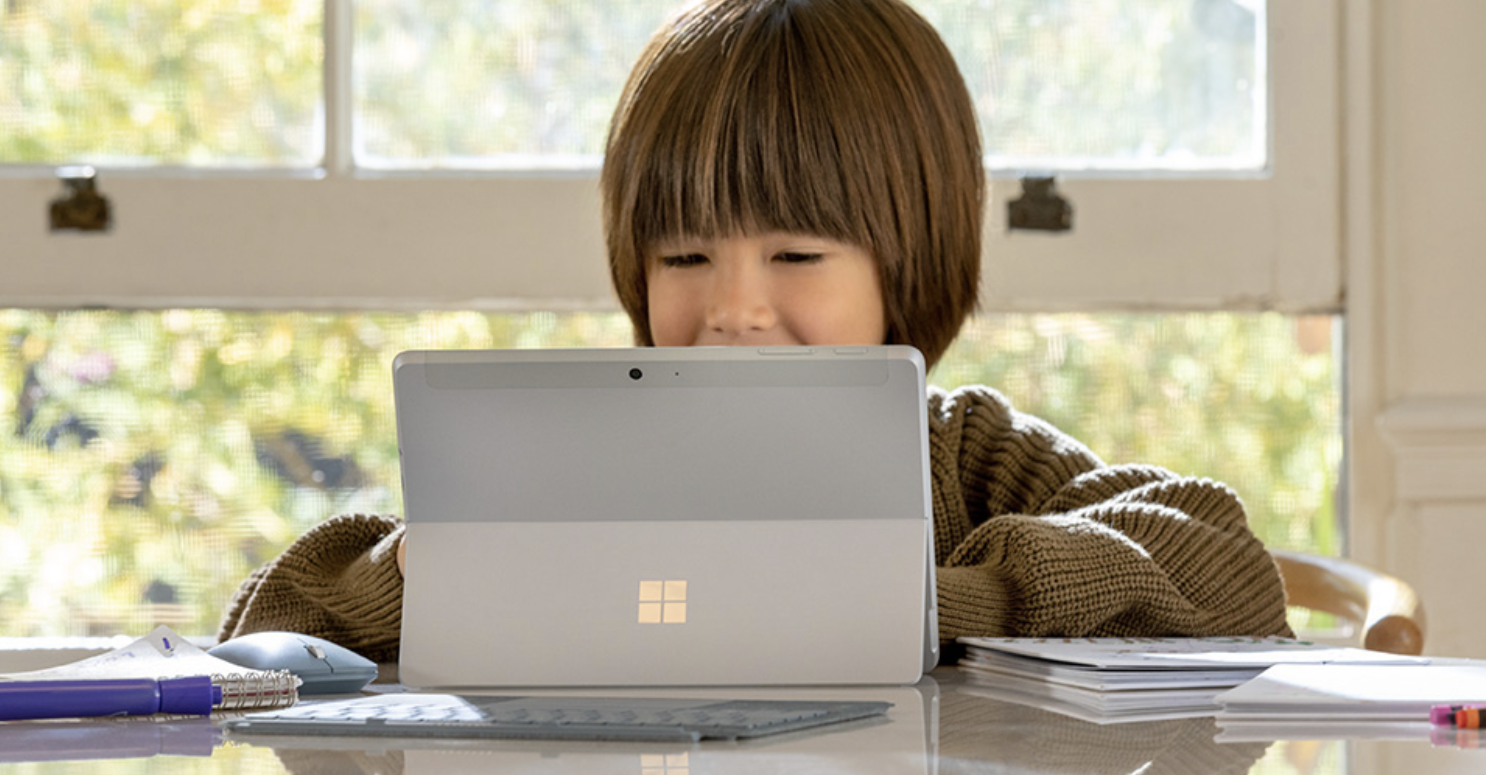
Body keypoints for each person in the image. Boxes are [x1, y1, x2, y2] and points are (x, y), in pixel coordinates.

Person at [218, 0, 1290, 665]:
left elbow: (1218, 558)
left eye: (795, 256)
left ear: (909, 262)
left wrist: (909, 605)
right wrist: (428, 572)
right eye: (684, 258)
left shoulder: (965, 454)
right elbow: (262, 629)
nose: (730, 308)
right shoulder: (581, 457)